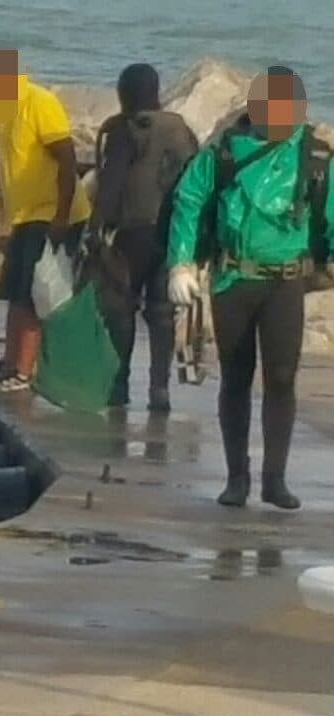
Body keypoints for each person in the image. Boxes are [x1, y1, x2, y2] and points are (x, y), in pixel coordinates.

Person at [166, 66, 334, 511]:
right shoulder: (222, 154)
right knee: (236, 378)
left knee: (281, 379)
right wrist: (180, 264)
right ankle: (235, 478)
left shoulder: (315, 159)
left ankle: (274, 480)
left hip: (284, 284)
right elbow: (189, 200)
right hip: (233, 280)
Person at [0, 49, 92, 393]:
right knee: (14, 292)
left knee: (34, 294)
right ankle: (8, 365)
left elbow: (66, 159)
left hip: (52, 213)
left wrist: (61, 216)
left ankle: (22, 372)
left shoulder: (39, 103)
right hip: (24, 215)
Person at [90, 63, 200, 411]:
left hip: (130, 234)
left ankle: (119, 384)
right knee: (162, 312)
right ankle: (159, 388)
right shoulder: (180, 130)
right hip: (169, 233)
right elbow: (194, 181)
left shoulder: (122, 131)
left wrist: (96, 228)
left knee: (120, 308)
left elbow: (112, 183)